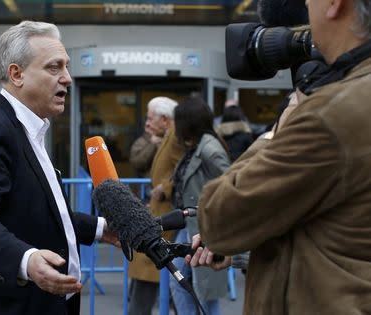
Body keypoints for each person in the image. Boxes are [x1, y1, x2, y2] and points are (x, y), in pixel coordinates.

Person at [187, 1, 371, 314]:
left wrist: (278, 130)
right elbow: (333, 227)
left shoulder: (331, 116)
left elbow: (218, 216)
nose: (306, 4)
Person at [0, 21, 118, 315]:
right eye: (54, 67)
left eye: (66, 67)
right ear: (17, 74)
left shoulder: (29, 129)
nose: (67, 78)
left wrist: (102, 229)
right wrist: (26, 260)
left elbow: (38, 211)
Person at [169, 96, 230, 315]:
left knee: (200, 288)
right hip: (192, 226)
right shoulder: (201, 144)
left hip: (202, 227)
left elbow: (231, 185)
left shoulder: (209, 149)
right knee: (186, 283)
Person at [128, 96, 184, 315]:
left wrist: (165, 188)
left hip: (167, 217)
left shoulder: (175, 138)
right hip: (161, 215)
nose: (148, 122)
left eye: (151, 118)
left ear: (164, 119)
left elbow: (184, 169)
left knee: (154, 277)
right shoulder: (166, 136)